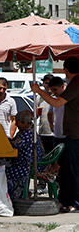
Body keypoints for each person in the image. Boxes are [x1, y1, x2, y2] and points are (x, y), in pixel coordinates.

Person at [32, 57, 79, 213]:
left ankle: (74, 202)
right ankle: (67, 200)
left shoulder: (76, 82)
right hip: (69, 134)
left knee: (73, 171)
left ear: (65, 69)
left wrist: (39, 91)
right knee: (66, 171)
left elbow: (57, 103)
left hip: (75, 135)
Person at [6, 110, 43, 200]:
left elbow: (15, 145)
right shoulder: (23, 132)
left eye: (18, 123)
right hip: (23, 162)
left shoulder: (28, 133)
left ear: (26, 123)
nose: (17, 125)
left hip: (29, 165)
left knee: (6, 171)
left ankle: (17, 196)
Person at [47, 76, 66, 207]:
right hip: (57, 137)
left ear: (62, 87)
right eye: (51, 90)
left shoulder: (66, 99)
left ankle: (65, 196)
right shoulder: (54, 101)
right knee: (57, 168)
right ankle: (60, 193)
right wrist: (51, 125)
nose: (53, 92)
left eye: (55, 89)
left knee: (67, 169)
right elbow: (49, 113)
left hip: (68, 137)